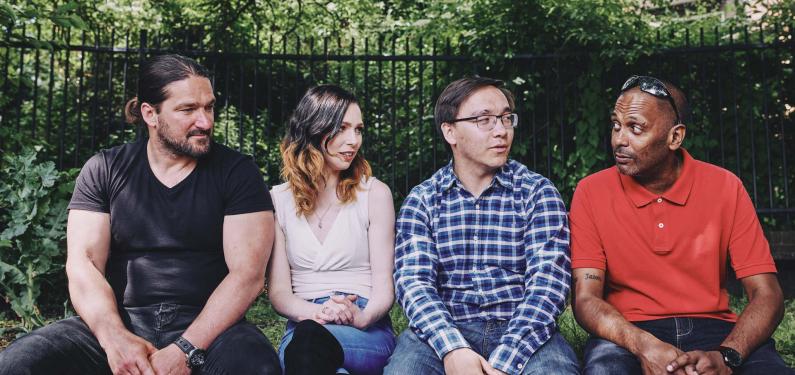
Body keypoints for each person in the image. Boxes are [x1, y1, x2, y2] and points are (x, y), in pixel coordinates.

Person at [0, 54, 281, 375]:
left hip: (213, 330)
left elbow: (247, 275)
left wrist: (186, 349)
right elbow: (84, 264)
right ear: (150, 113)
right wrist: (115, 338)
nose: (205, 121)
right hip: (121, 319)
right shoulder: (105, 169)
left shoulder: (238, 172)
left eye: (209, 107)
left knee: (257, 368)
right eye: (188, 109)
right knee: (19, 363)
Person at [570, 75, 793, 375]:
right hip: (629, 333)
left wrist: (727, 356)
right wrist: (643, 345)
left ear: (675, 137)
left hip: (716, 331)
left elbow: (768, 294)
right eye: (616, 125)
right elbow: (585, 298)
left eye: (635, 128)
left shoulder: (725, 187)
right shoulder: (591, 192)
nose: (618, 139)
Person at [384, 77, 580, 375]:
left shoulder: (536, 192)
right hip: (445, 328)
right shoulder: (423, 200)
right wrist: (453, 348)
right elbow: (415, 284)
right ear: (449, 131)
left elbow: (548, 285)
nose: (501, 130)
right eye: (484, 120)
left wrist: (505, 362)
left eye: (505, 118)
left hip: (523, 328)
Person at [268, 84, 396, 375]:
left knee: (308, 348)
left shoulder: (374, 194)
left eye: (359, 129)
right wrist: (319, 313)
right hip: (305, 322)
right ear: (314, 129)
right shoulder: (279, 200)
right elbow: (278, 292)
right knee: (310, 344)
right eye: (342, 128)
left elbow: (384, 287)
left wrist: (361, 317)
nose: (353, 140)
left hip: (365, 329)